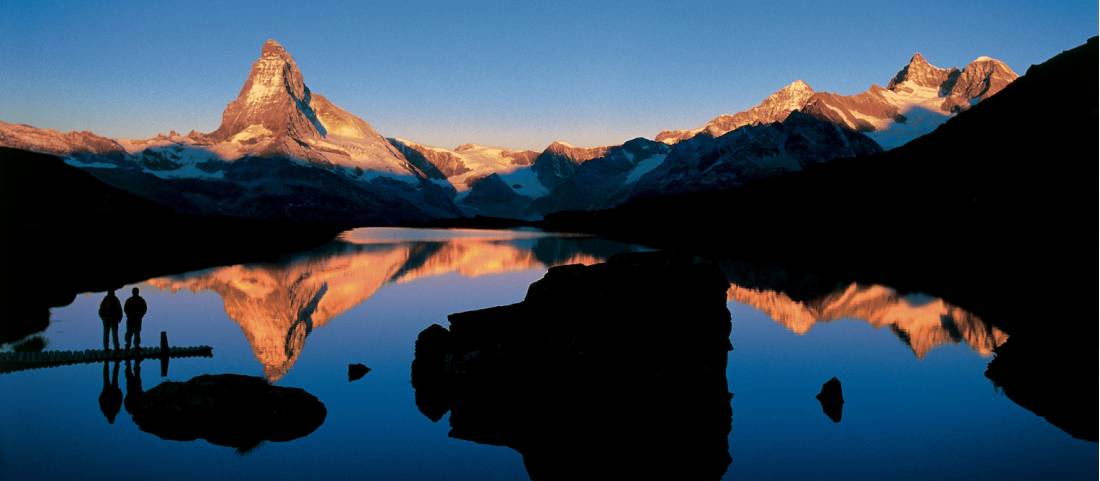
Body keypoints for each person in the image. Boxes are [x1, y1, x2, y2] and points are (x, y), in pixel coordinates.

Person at [98, 360, 122, 424]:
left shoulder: (106, 411)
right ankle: (115, 363)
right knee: (113, 376)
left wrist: (103, 394)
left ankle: (108, 363)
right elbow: (120, 400)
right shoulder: (115, 410)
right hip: (113, 392)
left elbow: (100, 401)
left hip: (107, 392)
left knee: (109, 376)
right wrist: (119, 392)